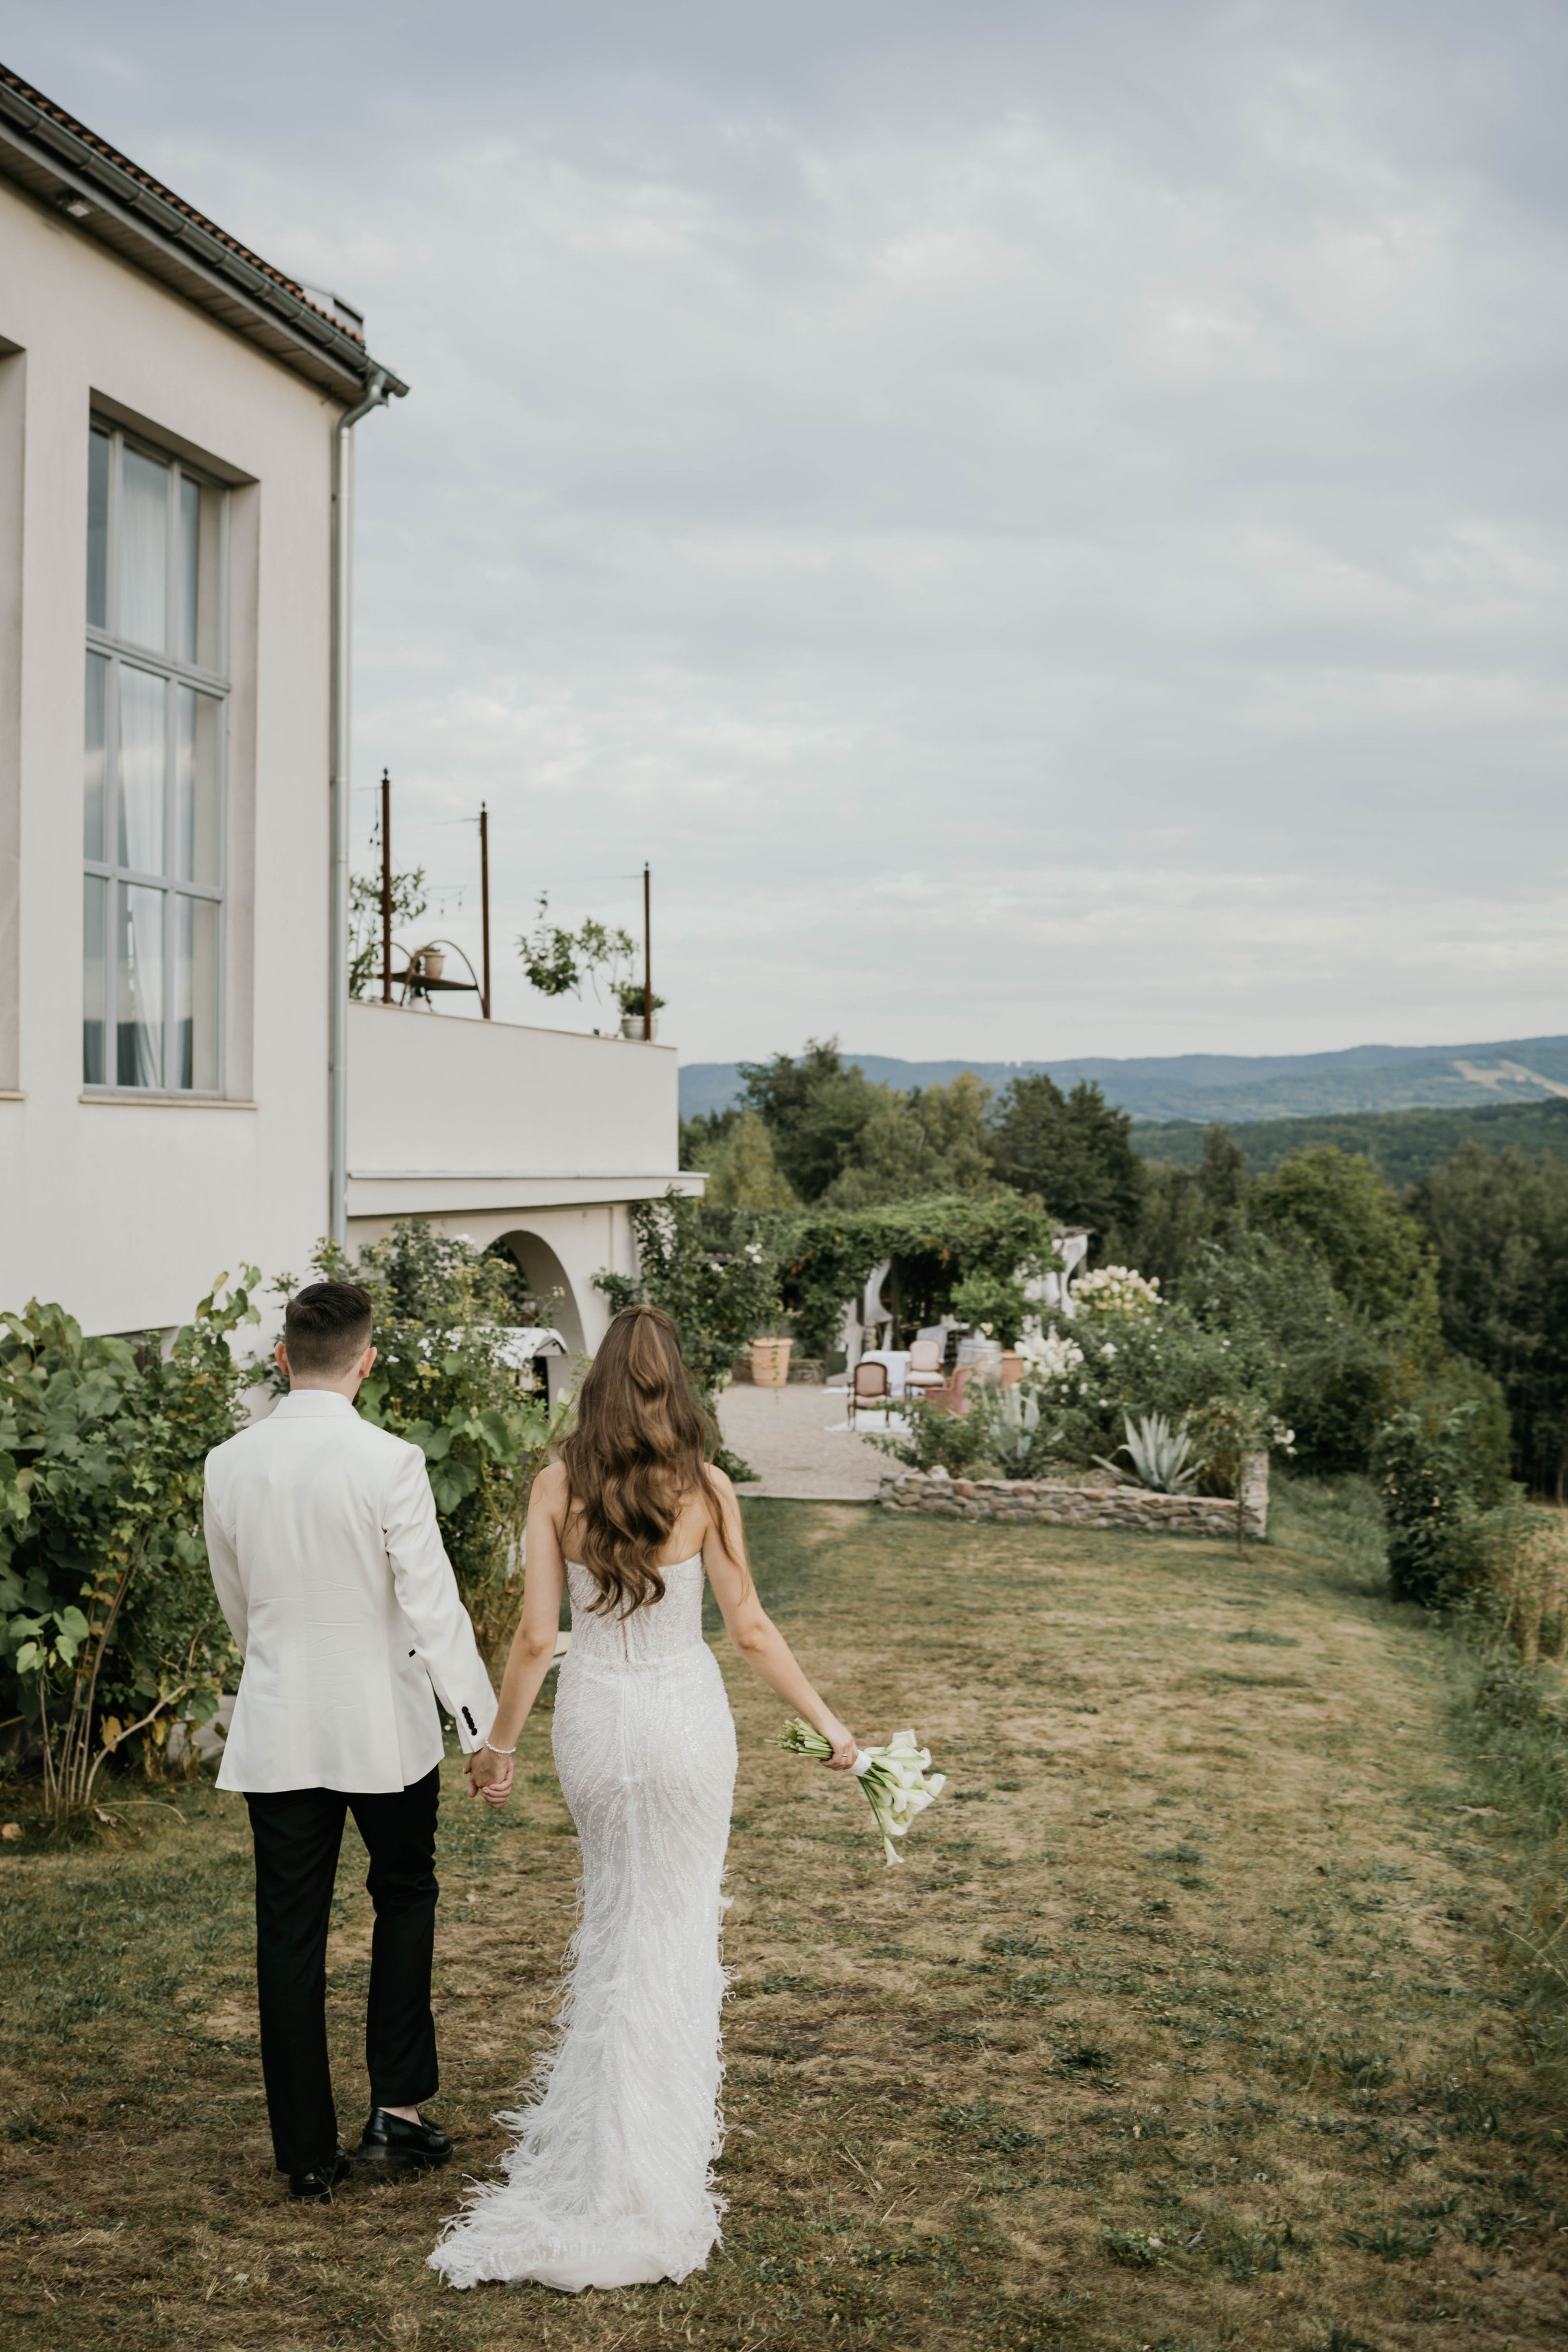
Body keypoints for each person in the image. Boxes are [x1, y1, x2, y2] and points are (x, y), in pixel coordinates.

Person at [429, 1303, 857, 2294]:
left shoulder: (554, 1485)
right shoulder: (706, 1488)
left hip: (596, 1722)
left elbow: (537, 1639)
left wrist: (497, 1750)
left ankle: (613, 2153)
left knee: (620, 1921)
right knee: (673, 1927)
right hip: (685, 1724)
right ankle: (648, 2160)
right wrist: (834, 1728)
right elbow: (749, 1627)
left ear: (599, 1387)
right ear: (676, 1388)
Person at [203, 1279, 500, 2202]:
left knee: (287, 1934)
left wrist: (276, 1668)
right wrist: (484, 1728)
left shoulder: (229, 1462)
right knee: (405, 1895)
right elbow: (432, 1603)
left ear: (284, 1357)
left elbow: (236, 1598)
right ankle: (397, 2113)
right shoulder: (391, 1460)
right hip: (386, 1731)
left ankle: (304, 2155)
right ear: (367, 1362)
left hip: (282, 1720)